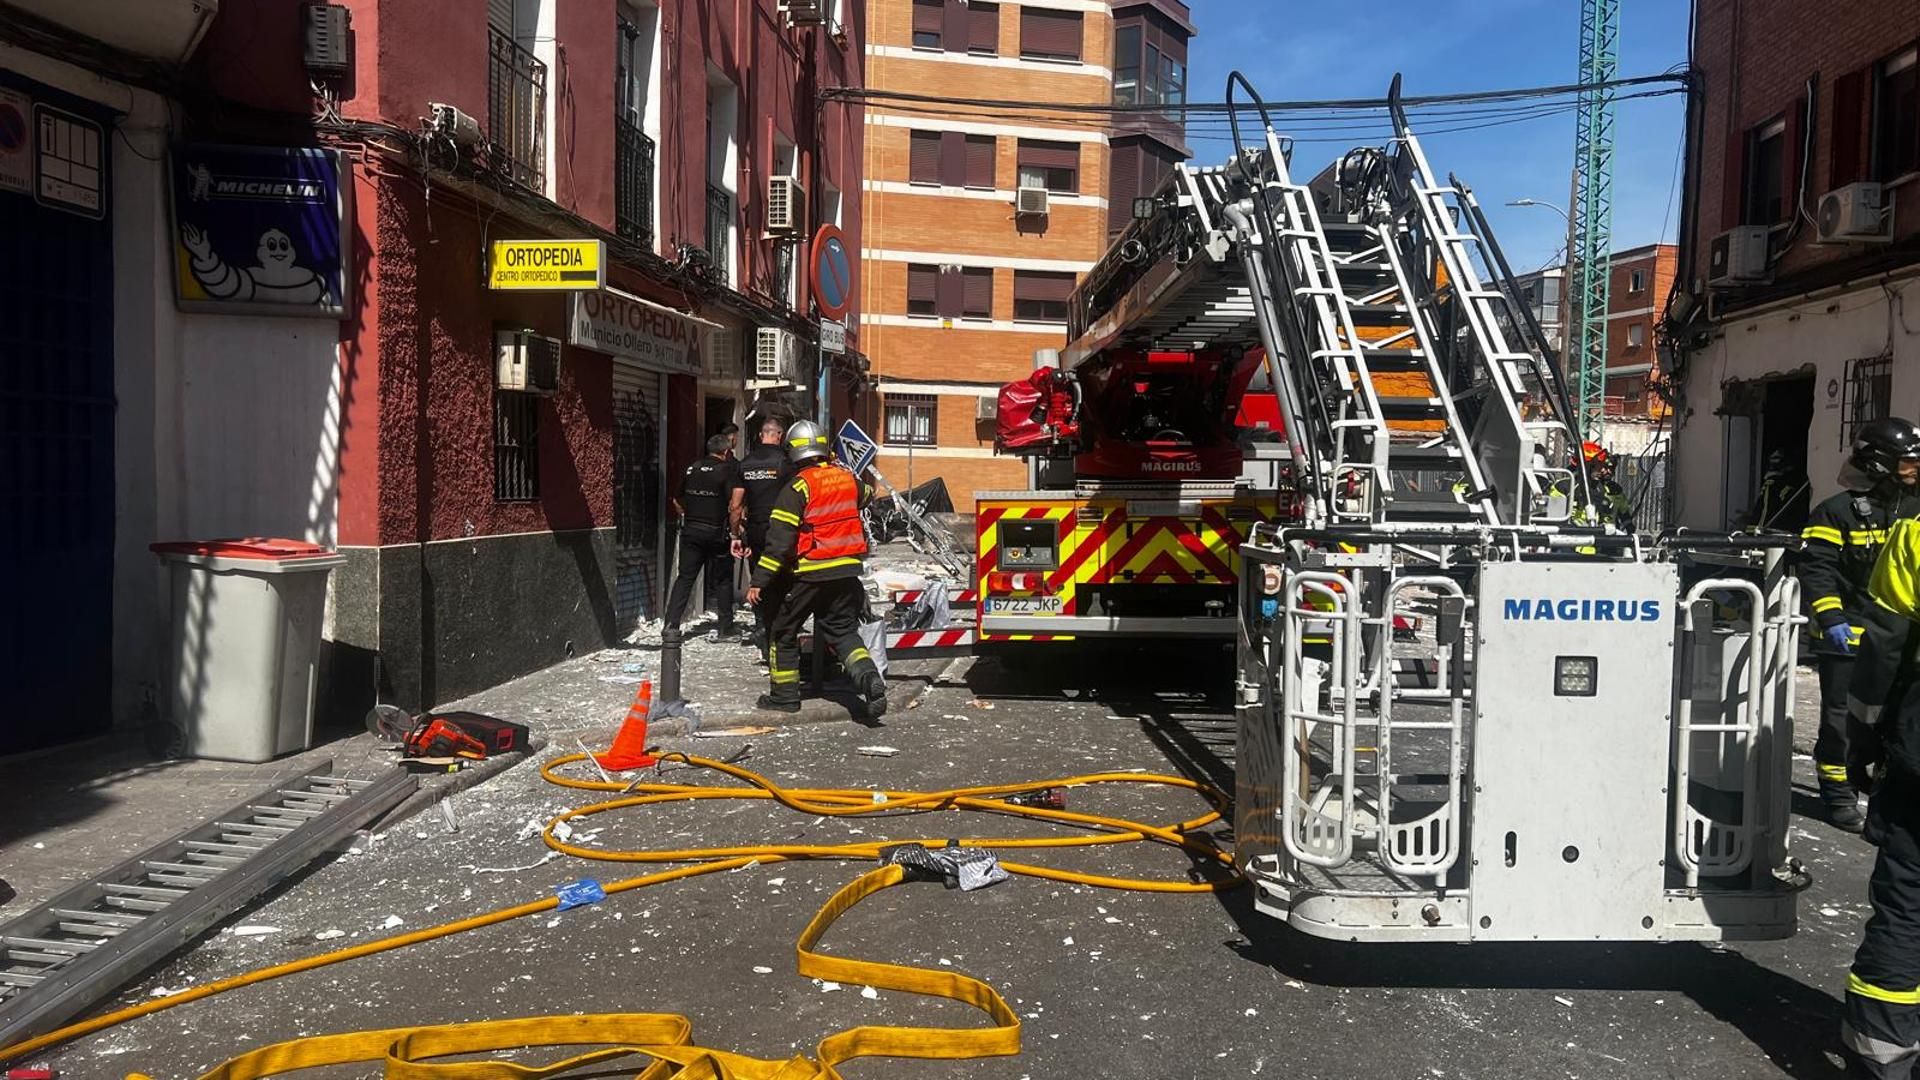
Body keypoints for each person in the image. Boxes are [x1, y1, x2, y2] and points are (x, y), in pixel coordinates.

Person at [1801, 417, 1920, 834]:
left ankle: (1882, 790)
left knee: (1891, 718)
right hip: (1847, 637)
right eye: (1908, 462)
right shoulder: (1835, 512)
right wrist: (1832, 618)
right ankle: (1838, 793)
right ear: (1880, 464)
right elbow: (1818, 570)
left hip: (1896, 639)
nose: (1915, 470)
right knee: (1842, 720)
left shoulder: (1913, 510)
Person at [746, 419, 886, 716]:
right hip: (847, 573)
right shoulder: (847, 480)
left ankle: (784, 697)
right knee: (843, 632)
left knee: (783, 632)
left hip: (810, 573)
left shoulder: (797, 488)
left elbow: (779, 543)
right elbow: (867, 495)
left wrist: (759, 581)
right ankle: (868, 677)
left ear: (793, 452)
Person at [665, 434, 745, 639]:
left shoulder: (692, 468)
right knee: (723, 580)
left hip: (691, 531)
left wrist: (686, 515)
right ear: (726, 451)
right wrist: (735, 534)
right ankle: (725, 628)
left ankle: (671, 625)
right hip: (717, 532)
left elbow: (676, 499)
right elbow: (736, 506)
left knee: (685, 578)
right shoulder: (728, 470)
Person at [735, 415, 792, 659]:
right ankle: (780, 633)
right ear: (780, 436)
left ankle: (762, 626)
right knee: (781, 580)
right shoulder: (786, 463)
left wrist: (736, 534)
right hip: (781, 530)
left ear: (761, 435)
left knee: (758, 580)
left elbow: (736, 505)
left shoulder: (744, 464)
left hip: (755, 530)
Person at [1747, 449, 1812, 532]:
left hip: (1775, 533)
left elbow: (1765, 511)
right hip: (1787, 532)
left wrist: (1754, 531)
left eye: (1776, 458)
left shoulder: (1774, 483)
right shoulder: (1801, 481)